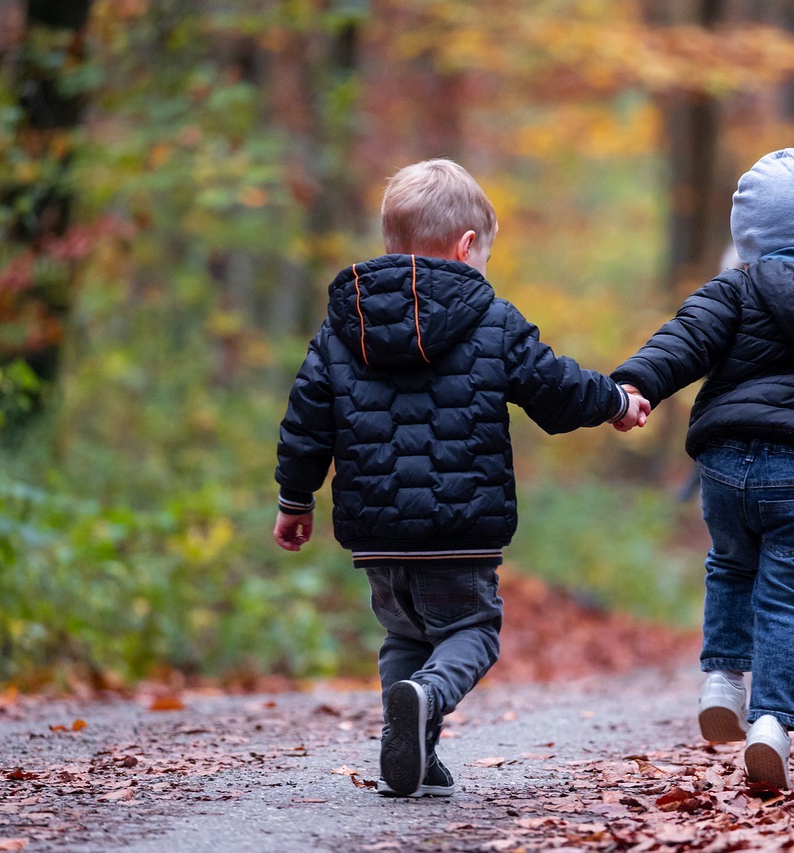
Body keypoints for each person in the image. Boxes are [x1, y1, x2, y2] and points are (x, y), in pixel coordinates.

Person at [272, 158, 649, 799]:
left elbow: (307, 418)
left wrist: (294, 499)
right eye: (485, 257)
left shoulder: (343, 323)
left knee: (404, 633)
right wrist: (615, 401)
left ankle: (413, 750)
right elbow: (554, 388)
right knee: (472, 631)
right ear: (465, 246)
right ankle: (427, 697)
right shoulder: (489, 317)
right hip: (460, 525)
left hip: (377, 532)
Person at [612, 149, 794, 789]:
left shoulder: (736, 287)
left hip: (725, 463)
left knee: (730, 566)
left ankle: (722, 679)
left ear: (748, 233)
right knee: (790, 596)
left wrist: (634, 386)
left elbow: (684, 341)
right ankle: (771, 724)